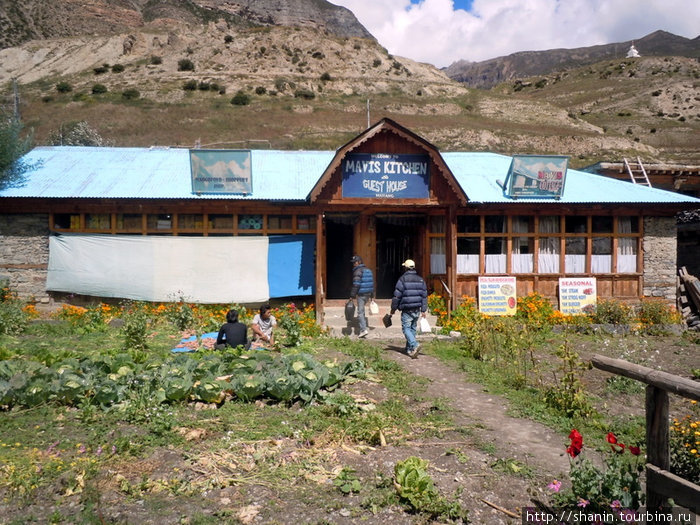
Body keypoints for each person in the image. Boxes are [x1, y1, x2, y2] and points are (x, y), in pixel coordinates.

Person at [389, 259, 428, 358]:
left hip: (407, 309)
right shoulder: (421, 280)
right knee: (412, 329)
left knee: (406, 329)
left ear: (405, 268)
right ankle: (410, 349)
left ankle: (415, 344)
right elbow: (424, 296)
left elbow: (397, 296)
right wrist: (423, 310)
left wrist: (393, 309)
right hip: (417, 309)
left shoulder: (402, 280)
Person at [349, 255, 374, 338]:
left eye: (355, 262)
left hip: (361, 294)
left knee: (360, 312)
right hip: (368, 294)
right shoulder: (369, 270)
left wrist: (352, 295)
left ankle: (363, 330)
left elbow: (356, 284)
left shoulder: (357, 271)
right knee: (362, 311)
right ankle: (363, 328)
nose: (353, 264)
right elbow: (371, 283)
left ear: (359, 262)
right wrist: (372, 295)